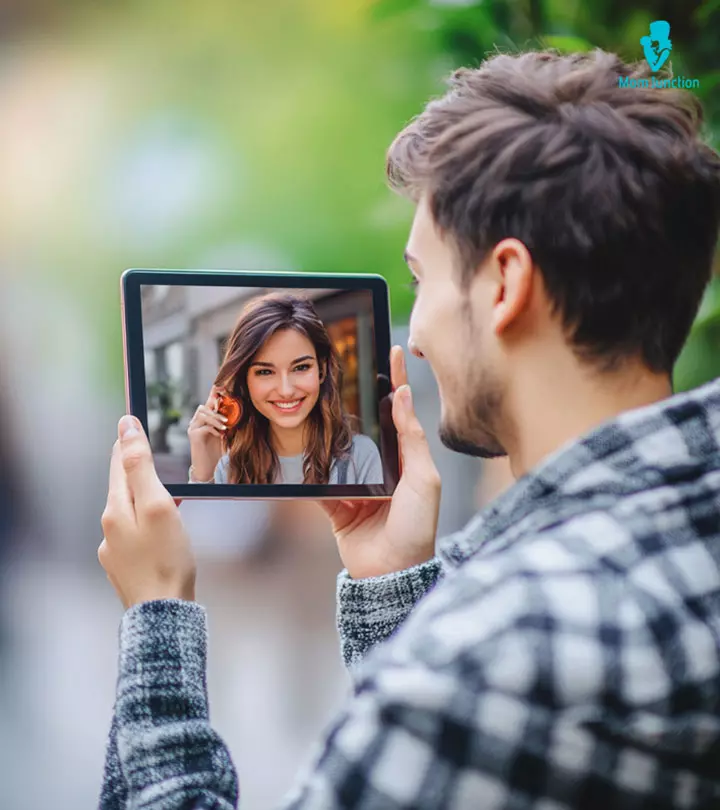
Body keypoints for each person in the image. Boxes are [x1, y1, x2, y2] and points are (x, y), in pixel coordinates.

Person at [97, 49, 720, 809]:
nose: (415, 337)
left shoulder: (493, 651)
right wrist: (396, 591)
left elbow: (469, 702)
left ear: (506, 284)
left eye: (421, 281)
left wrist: (158, 614)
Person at [187, 292, 384, 485]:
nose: (286, 390)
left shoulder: (360, 458)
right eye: (265, 372)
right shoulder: (228, 468)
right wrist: (204, 477)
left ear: (321, 369)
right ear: (245, 380)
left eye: (301, 368)